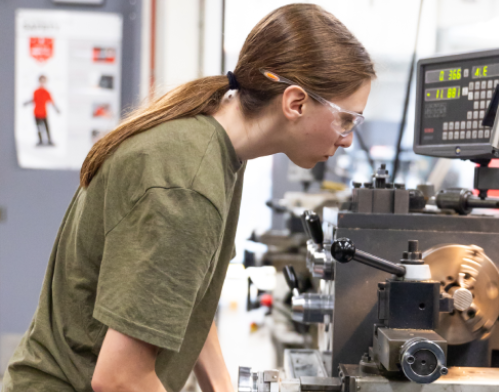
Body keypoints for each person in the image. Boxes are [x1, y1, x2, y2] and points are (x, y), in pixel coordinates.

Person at [2, 4, 374, 392]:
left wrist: (221, 387)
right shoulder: (188, 184)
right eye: (346, 119)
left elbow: (191, 300)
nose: (347, 139)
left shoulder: (218, 148)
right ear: (295, 103)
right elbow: (120, 378)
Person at [24, 75, 60, 146]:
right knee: (39, 128)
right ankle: (40, 141)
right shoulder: (36, 91)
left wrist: (56, 109)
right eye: (41, 81)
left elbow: (51, 101)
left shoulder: (46, 92)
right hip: (36, 113)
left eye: (44, 81)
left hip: (44, 113)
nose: (42, 83)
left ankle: (49, 141)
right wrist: (27, 103)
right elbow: (33, 99)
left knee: (46, 128)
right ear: (39, 81)